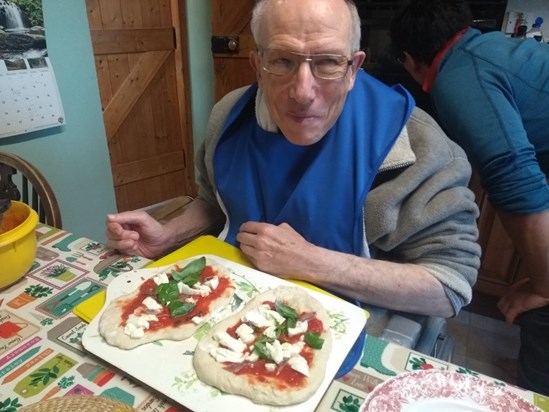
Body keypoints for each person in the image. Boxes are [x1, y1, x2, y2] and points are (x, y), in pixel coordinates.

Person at [106, 0, 480, 322]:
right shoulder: (228, 118)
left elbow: (450, 285)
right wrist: (168, 235)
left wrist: (313, 262)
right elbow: (216, 204)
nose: (303, 92)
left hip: (352, 328)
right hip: (230, 313)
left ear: (354, 68)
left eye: (329, 62)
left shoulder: (414, 144)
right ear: (257, 64)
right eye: (282, 61)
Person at [390, 0, 549, 396]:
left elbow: (517, 182)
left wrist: (544, 285)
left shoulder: (459, 76)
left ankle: (529, 396)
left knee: (544, 309)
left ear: (410, 60)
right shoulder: (493, 47)